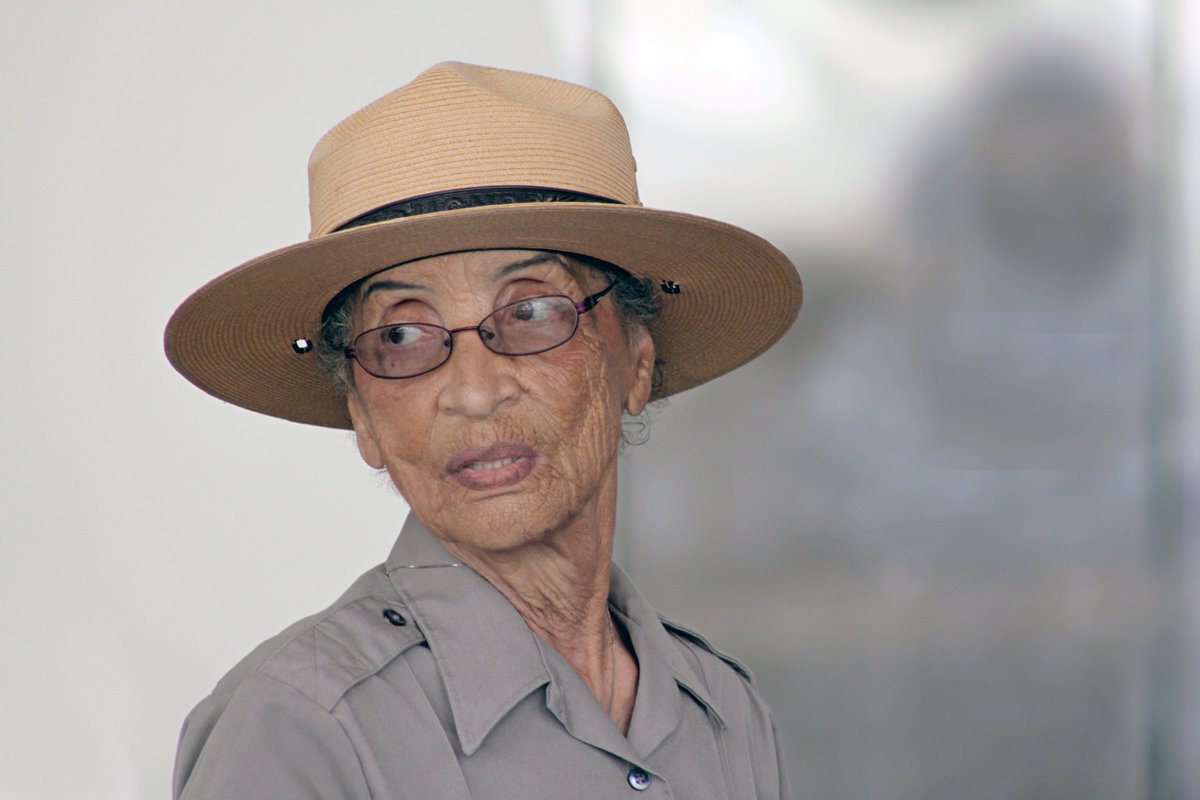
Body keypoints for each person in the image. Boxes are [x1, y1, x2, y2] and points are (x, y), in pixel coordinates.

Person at [166, 61, 802, 799]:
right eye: (402, 334)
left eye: (532, 312)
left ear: (635, 362)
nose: (472, 392)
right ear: (362, 415)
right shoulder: (302, 726)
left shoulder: (723, 713)